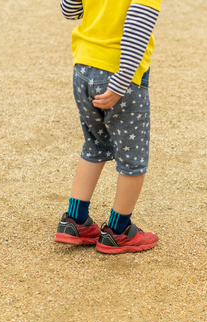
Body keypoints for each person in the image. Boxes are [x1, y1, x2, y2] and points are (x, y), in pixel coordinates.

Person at [54, 0, 162, 254]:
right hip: (118, 76)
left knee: (94, 144)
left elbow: (69, 10)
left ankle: (75, 220)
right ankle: (118, 231)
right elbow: (138, 26)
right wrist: (121, 82)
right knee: (133, 159)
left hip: (83, 67)